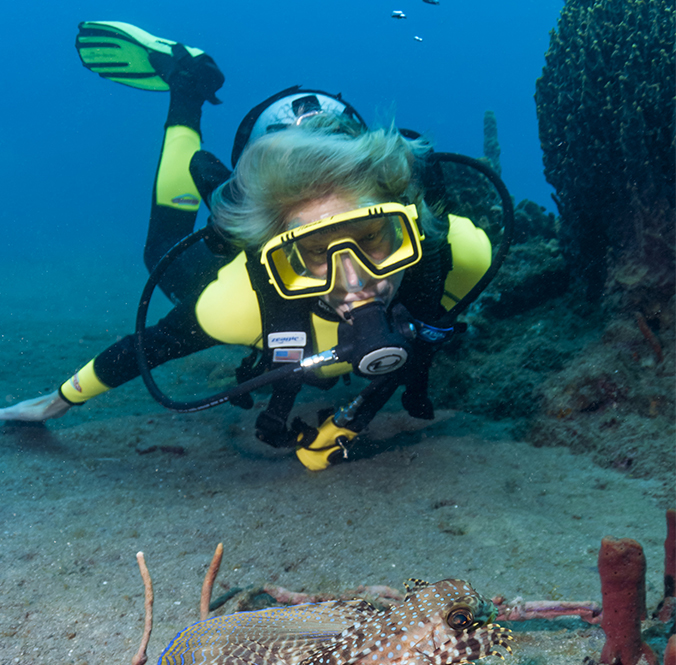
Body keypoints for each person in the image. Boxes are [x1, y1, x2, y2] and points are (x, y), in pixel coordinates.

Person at [0, 21, 494, 470]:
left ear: (410, 223)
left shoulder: (462, 255)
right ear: (272, 251)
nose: (355, 280)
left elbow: (429, 329)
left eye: (372, 238)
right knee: (162, 253)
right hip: (246, 271)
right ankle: (187, 84)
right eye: (316, 252)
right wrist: (58, 400)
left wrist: (355, 416)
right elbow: (150, 347)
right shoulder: (235, 304)